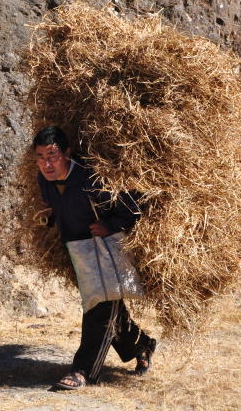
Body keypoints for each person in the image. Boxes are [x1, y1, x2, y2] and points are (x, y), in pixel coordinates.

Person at [33, 125, 156, 391]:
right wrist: (49, 216)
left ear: (67, 152)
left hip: (107, 252)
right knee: (106, 309)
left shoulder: (93, 178)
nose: (47, 163)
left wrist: (110, 224)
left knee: (99, 311)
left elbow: (135, 204)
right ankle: (143, 344)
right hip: (79, 254)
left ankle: (83, 372)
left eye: (52, 155)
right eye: (41, 157)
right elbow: (58, 209)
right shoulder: (45, 180)